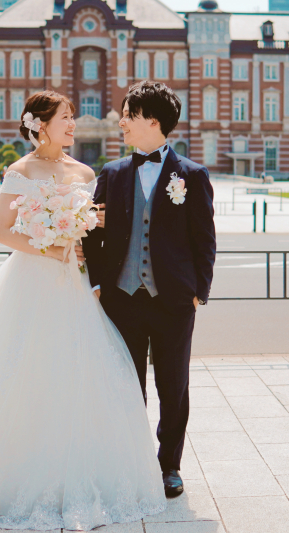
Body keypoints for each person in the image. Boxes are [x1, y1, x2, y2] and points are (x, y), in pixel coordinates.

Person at [0, 90, 166, 530]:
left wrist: (90, 240)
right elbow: (2, 232)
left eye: (73, 117)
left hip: (74, 283)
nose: (74, 123)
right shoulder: (20, 169)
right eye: (66, 117)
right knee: (20, 370)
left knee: (76, 371)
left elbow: (92, 233)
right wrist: (47, 246)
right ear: (41, 124)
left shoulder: (84, 172)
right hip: (30, 280)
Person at [81, 81, 216, 499]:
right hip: (121, 299)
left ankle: (169, 466)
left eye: (129, 115)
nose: (121, 122)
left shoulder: (192, 176)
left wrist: (200, 292)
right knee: (126, 384)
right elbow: (92, 231)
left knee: (173, 386)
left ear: (153, 121)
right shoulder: (113, 172)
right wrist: (100, 283)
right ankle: (132, 461)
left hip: (174, 300)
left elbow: (204, 240)